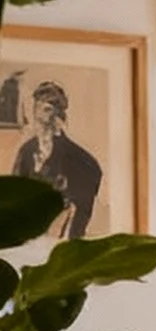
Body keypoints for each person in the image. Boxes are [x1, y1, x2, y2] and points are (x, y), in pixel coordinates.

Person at [12, 81, 101, 237]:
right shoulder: (27, 152)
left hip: (60, 238)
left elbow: (81, 209)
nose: (38, 119)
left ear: (58, 116)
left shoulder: (79, 160)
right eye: (36, 109)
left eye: (47, 110)